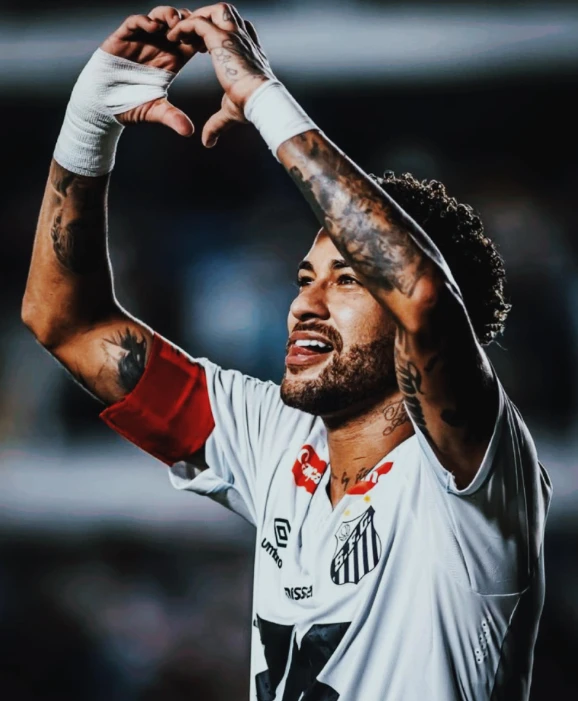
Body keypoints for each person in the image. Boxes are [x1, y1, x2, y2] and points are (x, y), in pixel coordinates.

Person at [23, 5, 552, 700]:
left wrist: (262, 98)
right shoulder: (275, 441)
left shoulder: (472, 477)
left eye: (348, 280)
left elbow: (423, 295)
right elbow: (65, 322)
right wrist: (91, 119)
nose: (306, 303)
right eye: (305, 278)